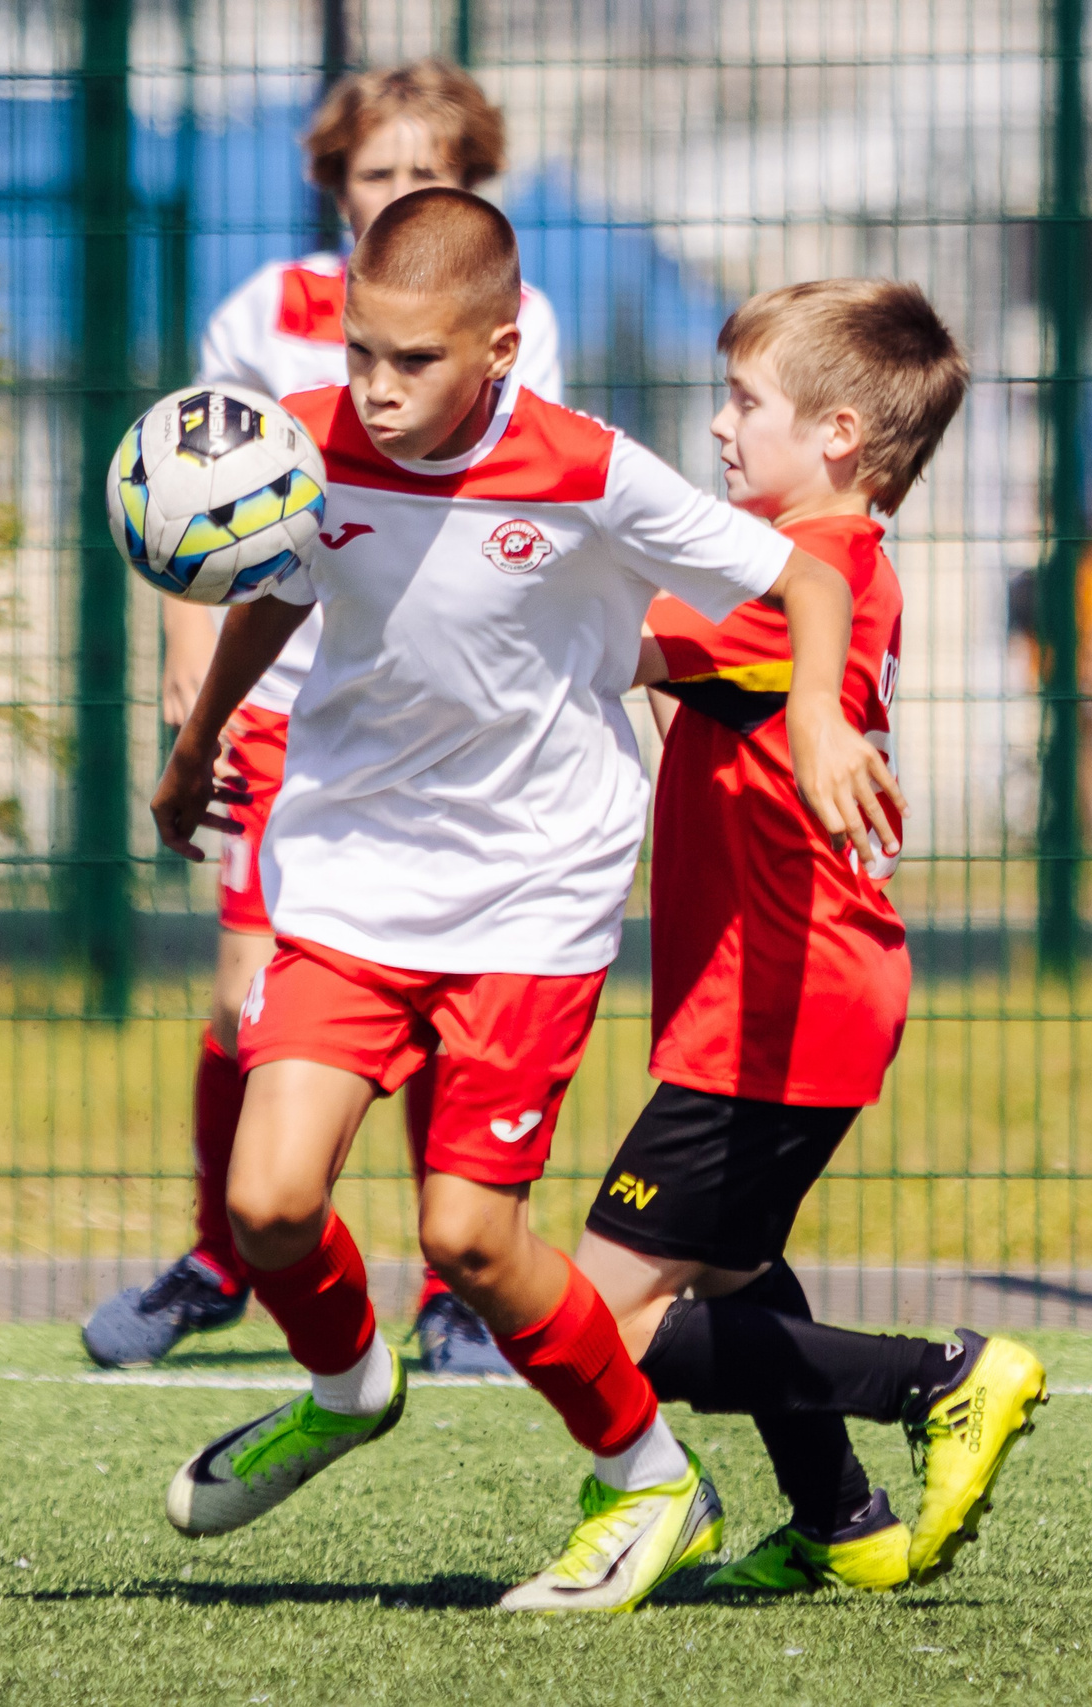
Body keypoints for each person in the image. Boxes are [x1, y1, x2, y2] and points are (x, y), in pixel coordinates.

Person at [149, 189, 904, 1614]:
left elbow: (803, 576)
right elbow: (275, 582)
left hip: (530, 902)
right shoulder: (313, 443)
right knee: (264, 1202)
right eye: (363, 352)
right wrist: (194, 747)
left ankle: (647, 1481)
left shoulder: (587, 469)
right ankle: (346, 1384)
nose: (379, 387)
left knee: (470, 1242)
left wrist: (814, 714)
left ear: (501, 347)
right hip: (351, 880)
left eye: (414, 362)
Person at [83, 60, 561, 1376]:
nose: (399, 193)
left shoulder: (524, 319)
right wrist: (194, 679)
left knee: (448, 993)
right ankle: (225, 1256)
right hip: (289, 714)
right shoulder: (268, 312)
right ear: (334, 187)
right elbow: (203, 505)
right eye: (375, 172)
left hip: (433, 727)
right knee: (252, 1004)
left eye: (429, 172)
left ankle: (453, 1286)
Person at [575, 280, 1047, 1593]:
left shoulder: (796, 581)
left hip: (774, 1005)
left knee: (591, 1315)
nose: (720, 427)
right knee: (730, 1266)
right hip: (806, 991)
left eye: (745, 403)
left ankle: (938, 1379)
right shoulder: (840, 572)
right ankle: (843, 1520)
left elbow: (603, 650)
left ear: (839, 433)